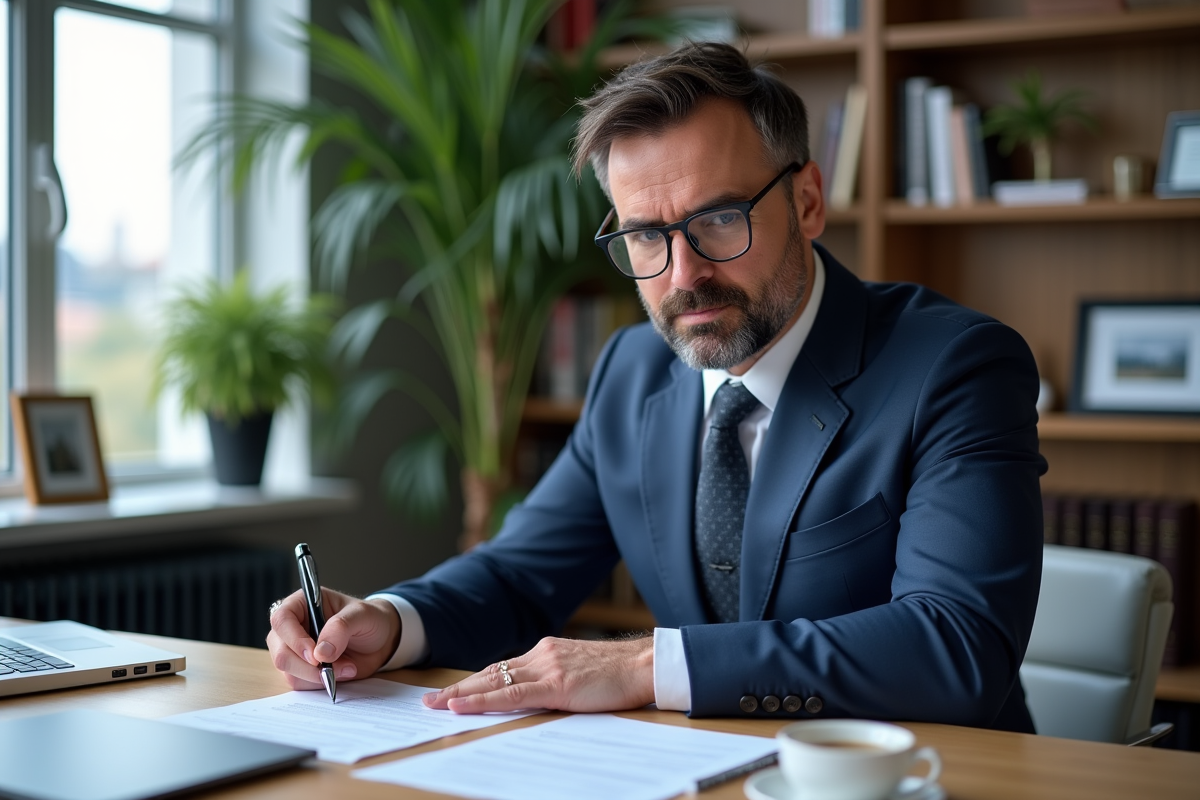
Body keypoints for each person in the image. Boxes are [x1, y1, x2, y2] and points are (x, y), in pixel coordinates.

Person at [268, 42, 1047, 732]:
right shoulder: (631, 371)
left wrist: (642, 667)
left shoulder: (955, 366)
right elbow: (518, 573)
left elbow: (958, 645)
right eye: (645, 235)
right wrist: (391, 621)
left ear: (807, 201)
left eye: (719, 219)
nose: (684, 275)